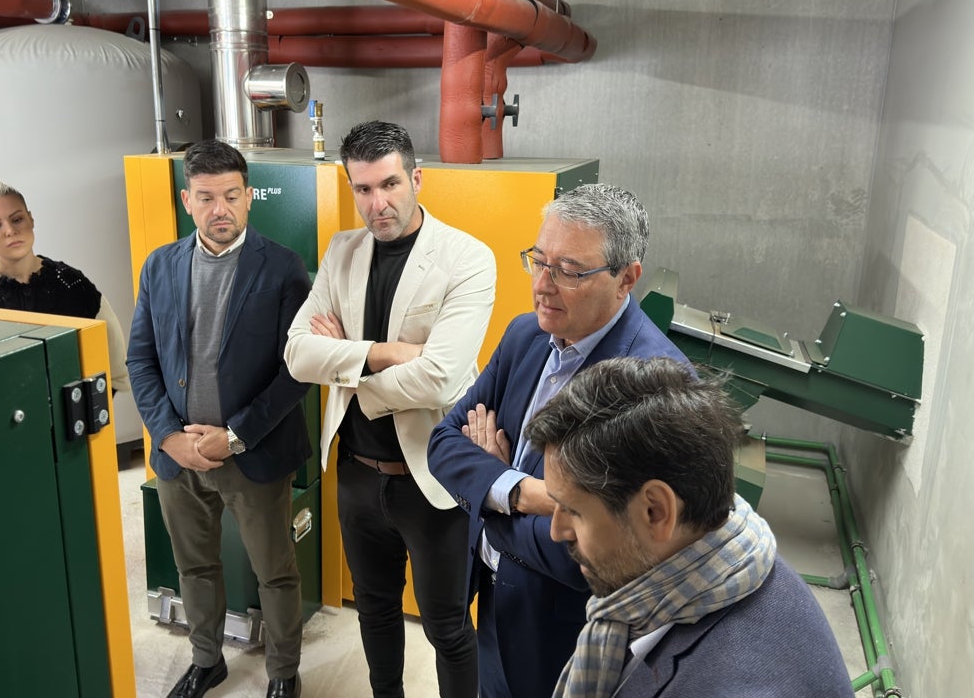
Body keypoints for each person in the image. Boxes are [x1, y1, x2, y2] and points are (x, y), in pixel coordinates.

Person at [426, 183, 691, 698]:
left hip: (567, 640)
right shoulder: (526, 336)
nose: (543, 285)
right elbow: (442, 443)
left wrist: (490, 501)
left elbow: (602, 560)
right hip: (493, 606)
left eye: (570, 271)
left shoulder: (654, 388)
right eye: (538, 260)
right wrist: (523, 492)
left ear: (626, 278)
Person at [284, 120, 496, 698]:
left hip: (431, 480)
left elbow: (442, 376)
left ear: (417, 178)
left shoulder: (467, 259)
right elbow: (298, 355)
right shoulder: (343, 251)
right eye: (363, 189)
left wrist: (346, 369)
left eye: (389, 184)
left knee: (447, 626)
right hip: (355, 474)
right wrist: (383, 352)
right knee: (373, 612)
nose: (377, 204)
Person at [524, 356, 854, 698]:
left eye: (573, 511)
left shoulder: (734, 685)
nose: (557, 530)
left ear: (655, 511)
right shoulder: (736, 558)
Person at [127, 141, 310, 698]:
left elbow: (298, 370)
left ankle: (283, 673)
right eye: (206, 197)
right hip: (179, 456)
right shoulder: (160, 264)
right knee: (195, 569)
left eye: (231, 195)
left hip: (251, 452)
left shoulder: (282, 267)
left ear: (249, 197)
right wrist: (166, 435)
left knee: (274, 572)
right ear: (188, 200)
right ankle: (207, 661)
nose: (220, 209)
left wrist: (235, 436)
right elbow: (141, 358)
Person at [0, 181, 129, 393]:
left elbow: (115, 368)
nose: (10, 231)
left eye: (17, 219)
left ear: (30, 219)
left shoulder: (72, 284)